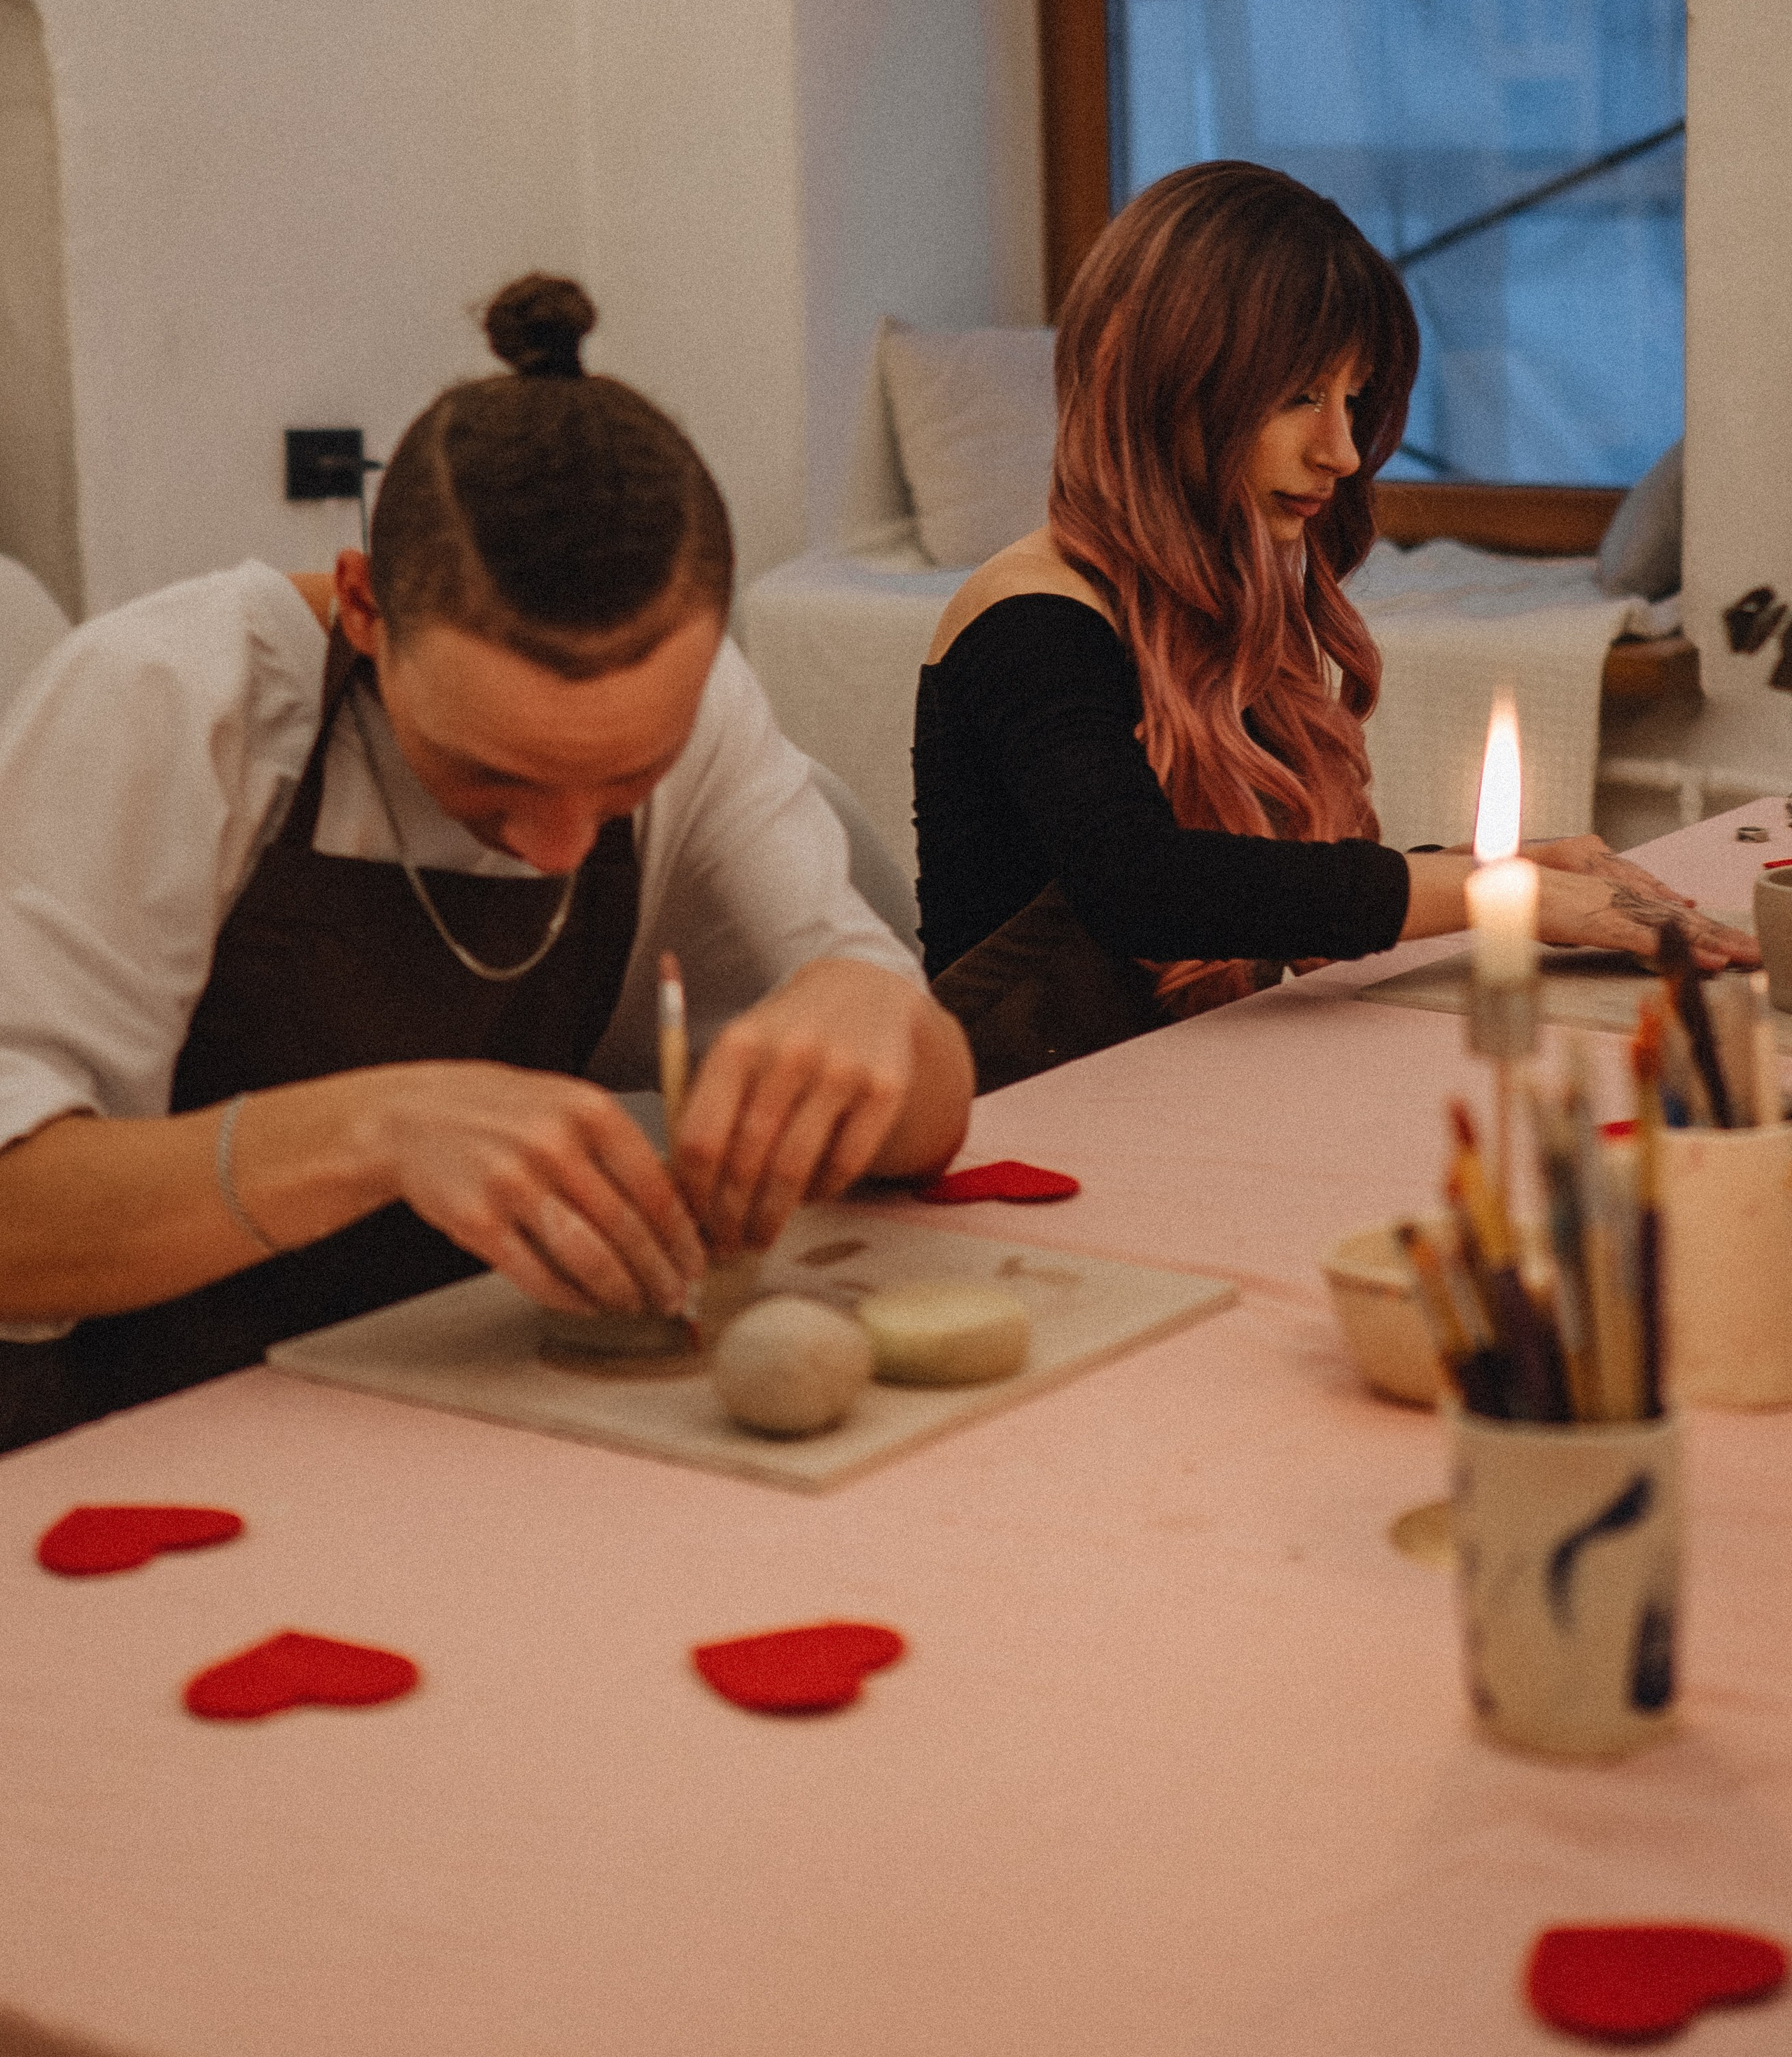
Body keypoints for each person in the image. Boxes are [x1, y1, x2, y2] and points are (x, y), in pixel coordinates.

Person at [0, 274, 972, 1449]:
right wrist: (378, 1128)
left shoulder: (701, 707)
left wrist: (876, 1009)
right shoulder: (169, 702)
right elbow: (17, 1223)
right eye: (491, 778)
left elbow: (931, 1116)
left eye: (625, 786)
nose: (561, 843)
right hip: (141, 1434)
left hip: (459, 1407)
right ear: (364, 607)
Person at [913, 163, 1754, 1091]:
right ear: (1162, 385)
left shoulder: (1207, 600)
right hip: (1017, 1122)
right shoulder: (1031, 616)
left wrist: (1498, 867)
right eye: (1300, 397)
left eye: (1353, 401)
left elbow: (1261, 886)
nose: (1342, 454)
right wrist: (1495, 893)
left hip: (1160, 1092)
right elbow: (1141, 882)